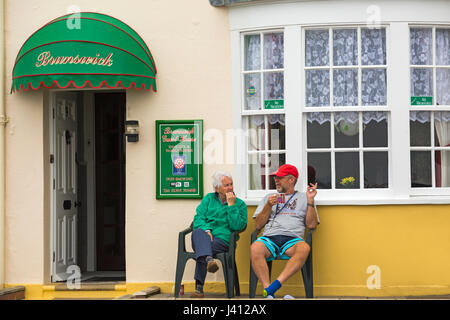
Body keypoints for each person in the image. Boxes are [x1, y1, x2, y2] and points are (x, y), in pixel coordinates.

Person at [250, 164, 319, 299]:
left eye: (279, 177)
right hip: (270, 237)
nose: (276, 180)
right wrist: (268, 206)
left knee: (304, 248)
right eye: (275, 177)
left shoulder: (304, 197)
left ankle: (274, 286)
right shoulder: (269, 197)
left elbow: (311, 225)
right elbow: (258, 225)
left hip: (292, 239)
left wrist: (311, 201)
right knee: (255, 248)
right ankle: (268, 292)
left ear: (291, 180)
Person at [190, 171, 248, 298]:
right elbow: (198, 217)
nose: (230, 187)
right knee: (198, 232)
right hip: (205, 236)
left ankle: (199, 288)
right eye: (226, 185)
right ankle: (209, 259)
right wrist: (207, 230)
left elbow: (237, 226)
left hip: (223, 241)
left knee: (202, 248)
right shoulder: (208, 199)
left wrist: (231, 206)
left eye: (231, 184)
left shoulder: (240, 204)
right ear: (217, 188)